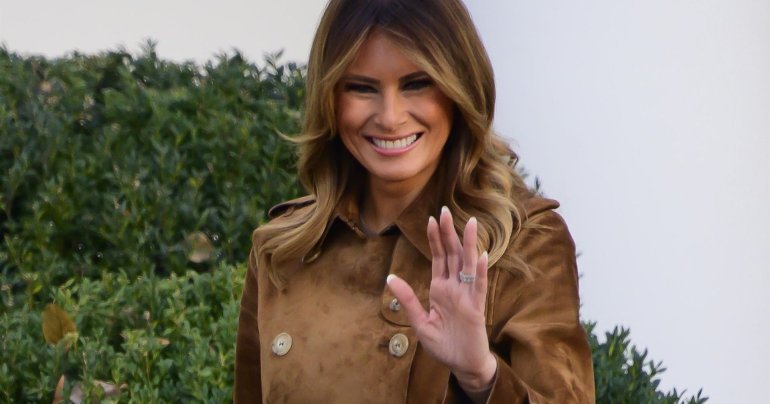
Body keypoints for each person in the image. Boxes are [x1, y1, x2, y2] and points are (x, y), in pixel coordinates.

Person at [235, 0, 595, 402]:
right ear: (329, 99)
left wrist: (481, 376)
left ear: (460, 87)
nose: (390, 117)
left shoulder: (523, 243)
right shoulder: (283, 249)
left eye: (416, 84)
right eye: (361, 87)